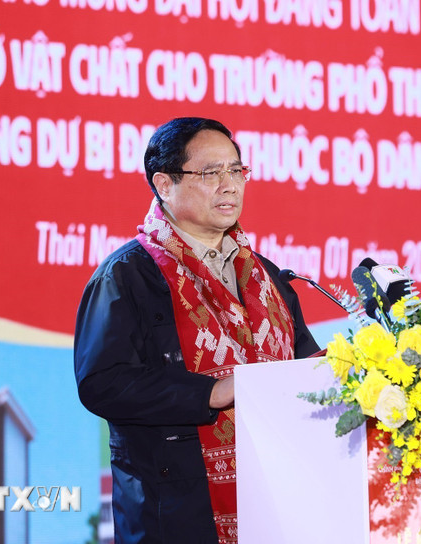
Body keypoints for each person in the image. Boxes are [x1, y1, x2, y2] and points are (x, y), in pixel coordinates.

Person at [74, 117, 319, 544]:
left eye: (236, 170)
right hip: (177, 513)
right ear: (164, 184)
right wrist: (210, 393)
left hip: (279, 502)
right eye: (211, 173)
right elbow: (103, 383)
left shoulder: (270, 278)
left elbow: (304, 369)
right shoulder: (128, 275)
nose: (230, 185)